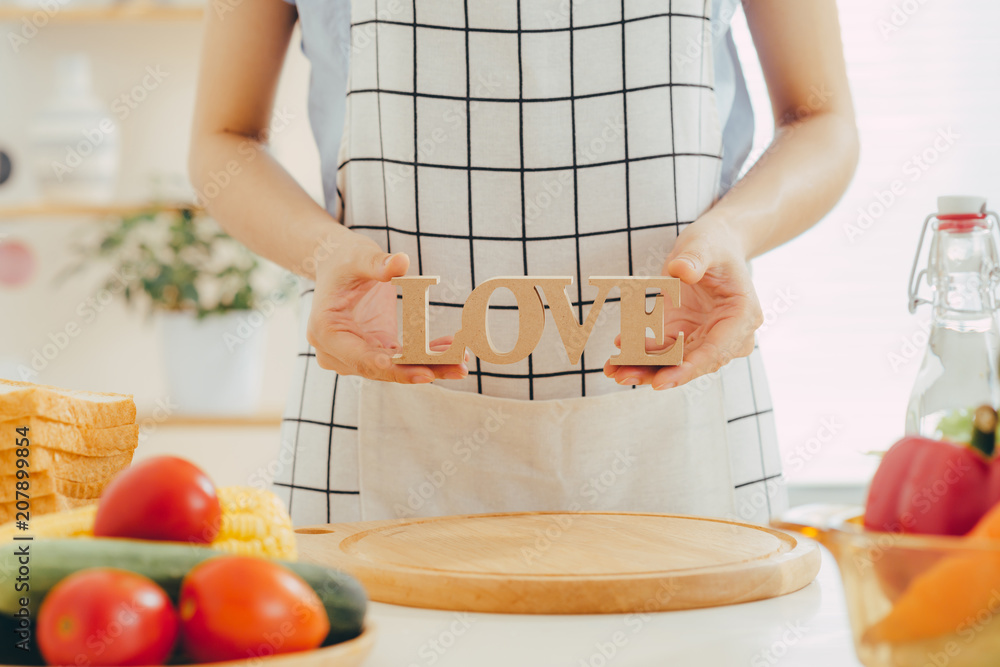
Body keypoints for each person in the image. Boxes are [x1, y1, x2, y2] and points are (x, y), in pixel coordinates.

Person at [189, 0, 858, 527]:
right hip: (380, 427)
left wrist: (735, 234)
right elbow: (223, 138)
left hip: (677, 421)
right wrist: (325, 252)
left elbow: (820, 117)